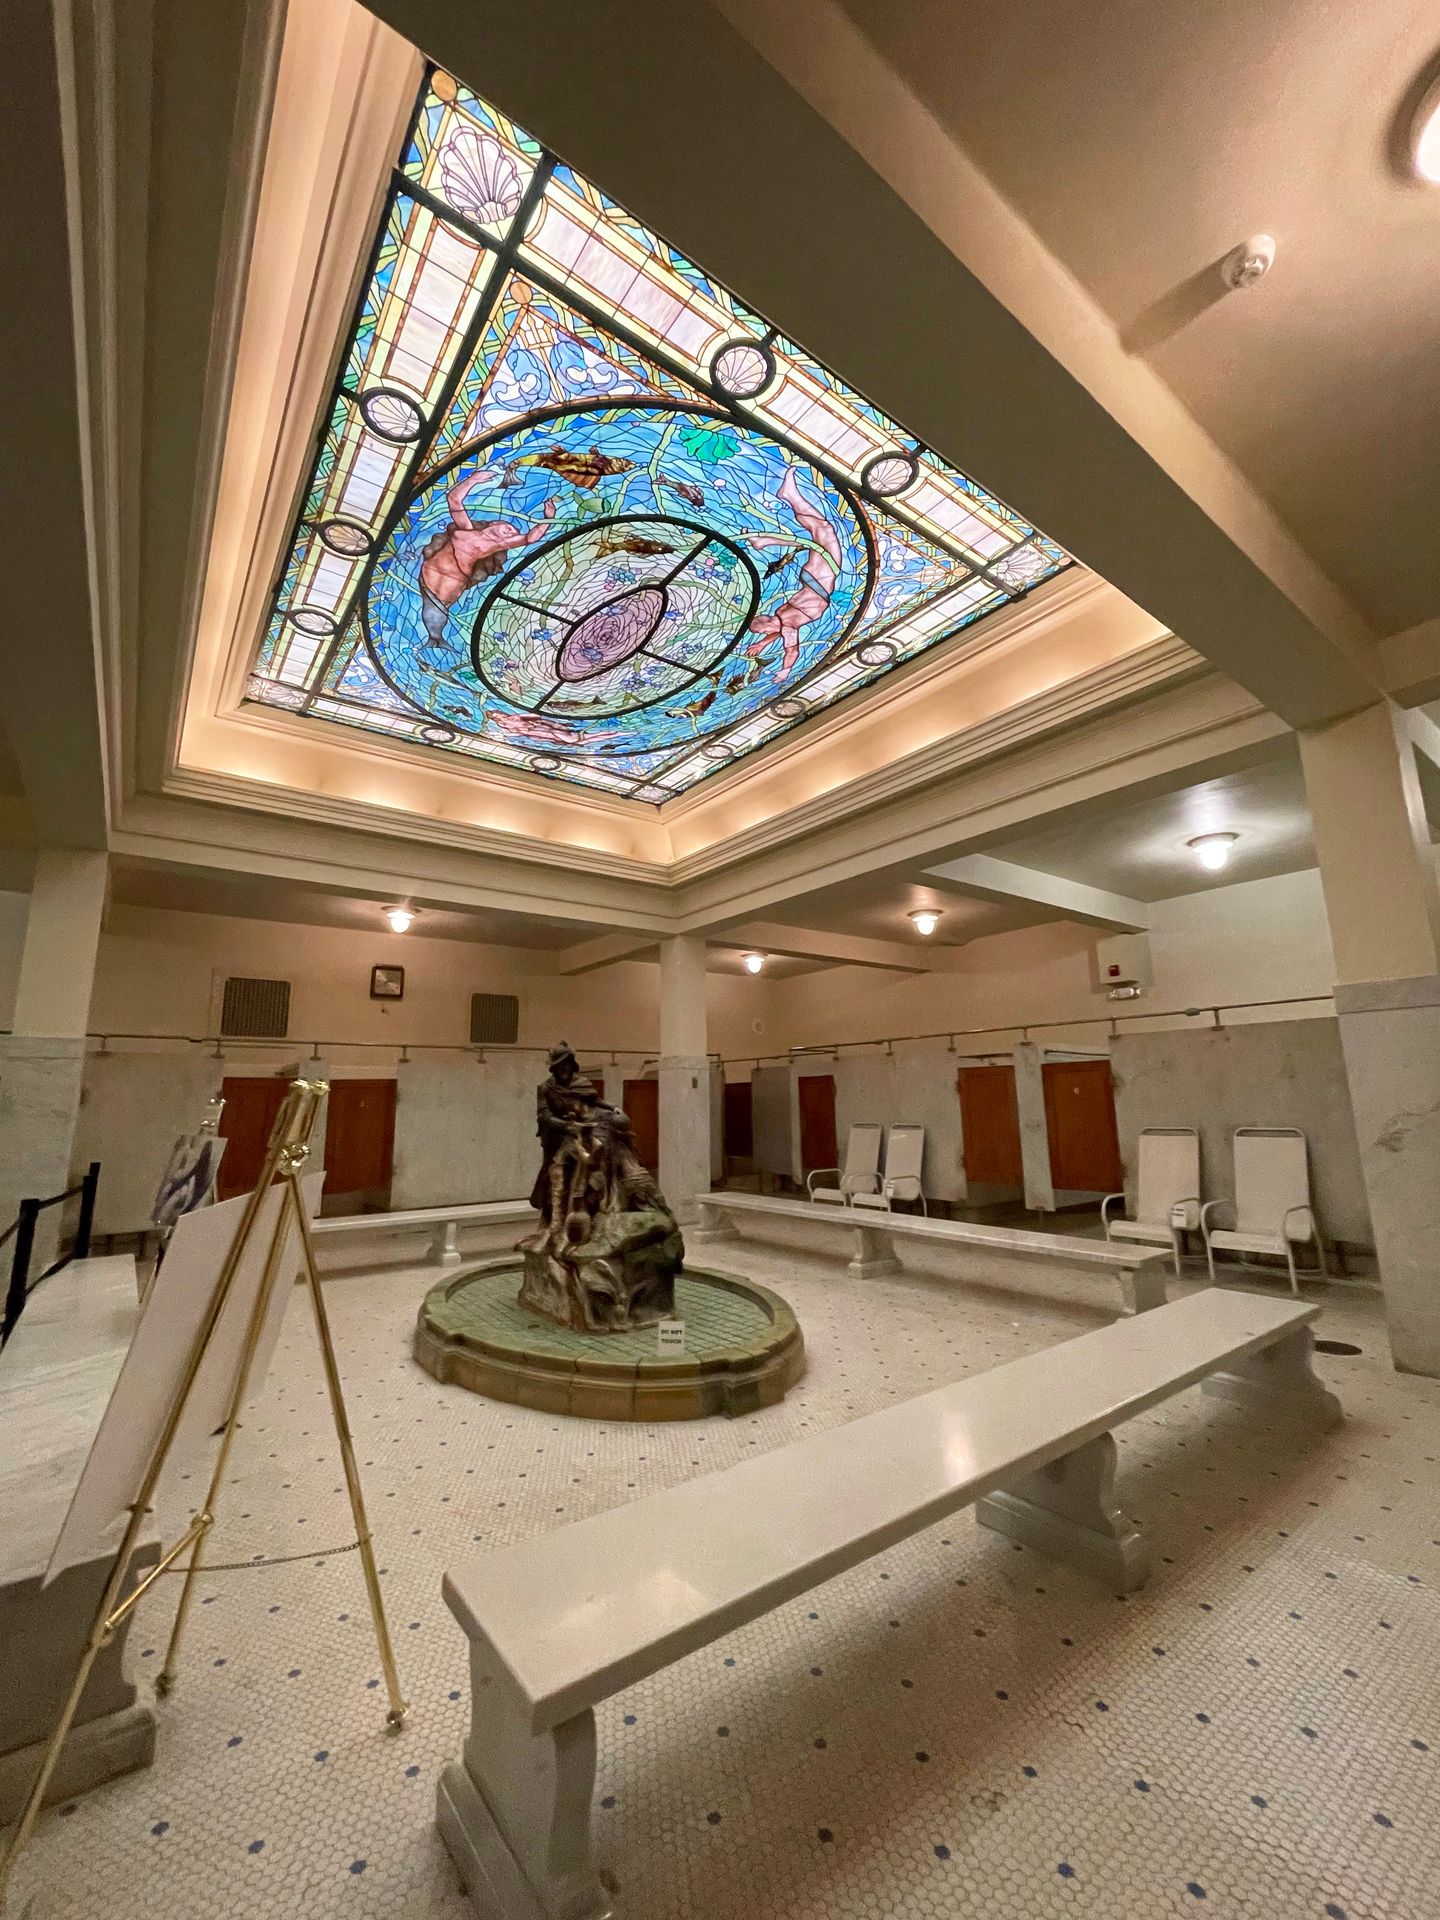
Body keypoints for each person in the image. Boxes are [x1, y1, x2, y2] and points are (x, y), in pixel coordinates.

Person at [417, 468, 557, 653]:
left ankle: (436, 637)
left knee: (439, 606)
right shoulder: (465, 529)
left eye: (514, 533)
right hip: (430, 571)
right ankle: (433, 638)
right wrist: (473, 479)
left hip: (455, 579)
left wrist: (547, 519)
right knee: (431, 603)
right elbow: (454, 500)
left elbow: (530, 538)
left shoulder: (495, 545)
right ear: (494, 523)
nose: (512, 532)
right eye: (509, 527)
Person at [743, 465, 842, 677]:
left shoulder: (787, 625)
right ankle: (765, 539)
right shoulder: (781, 619)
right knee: (820, 532)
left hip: (820, 581)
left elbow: (792, 650)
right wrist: (762, 645)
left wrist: (785, 670)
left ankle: (770, 530)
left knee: (822, 530)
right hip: (814, 581)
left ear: (766, 626)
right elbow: (778, 631)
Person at [528, 1042, 622, 1220]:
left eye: (567, 1063)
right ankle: (554, 1214)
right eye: (560, 1065)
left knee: (601, 1156)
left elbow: (595, 1101)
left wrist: (613, 1107)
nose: (564, 1068)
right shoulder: (546, 1088)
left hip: (583, 1131)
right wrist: (566, 1127)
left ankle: (601, 1201)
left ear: (572, 1064)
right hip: (557, 1135)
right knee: (556, 1172)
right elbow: (545, 1116)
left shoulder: (582, 1083)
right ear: (554, 1068)